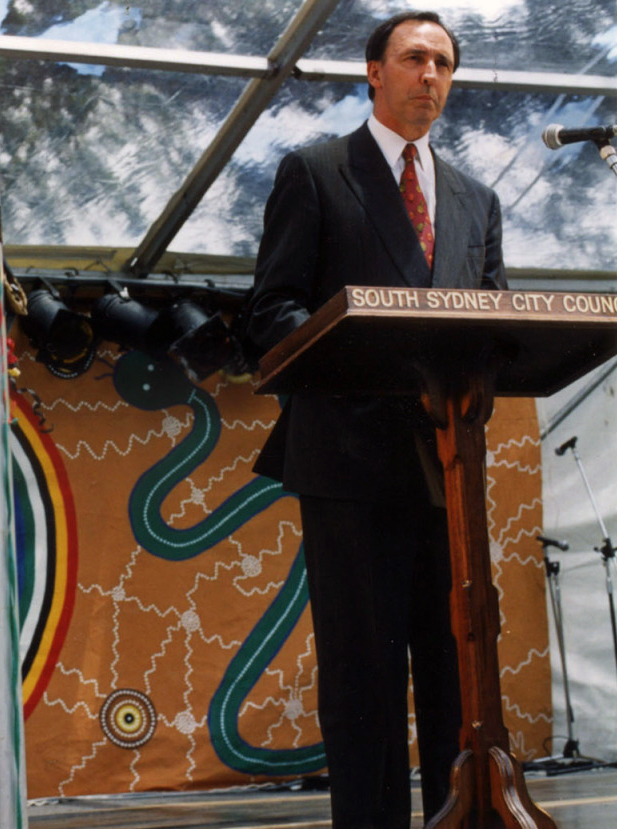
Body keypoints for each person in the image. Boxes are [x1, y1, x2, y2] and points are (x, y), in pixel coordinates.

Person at [243, 11, 506, 829]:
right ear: (374, 72)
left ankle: (461, 817)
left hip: (447, 471)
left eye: (445, 64)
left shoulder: (477, 198)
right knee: (364, 679)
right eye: (415, 58)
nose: (431, 75)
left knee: (457, 674)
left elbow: (495, 322)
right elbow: (273, 311)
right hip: (349, 465)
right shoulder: (318, 172)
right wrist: (360, 350)